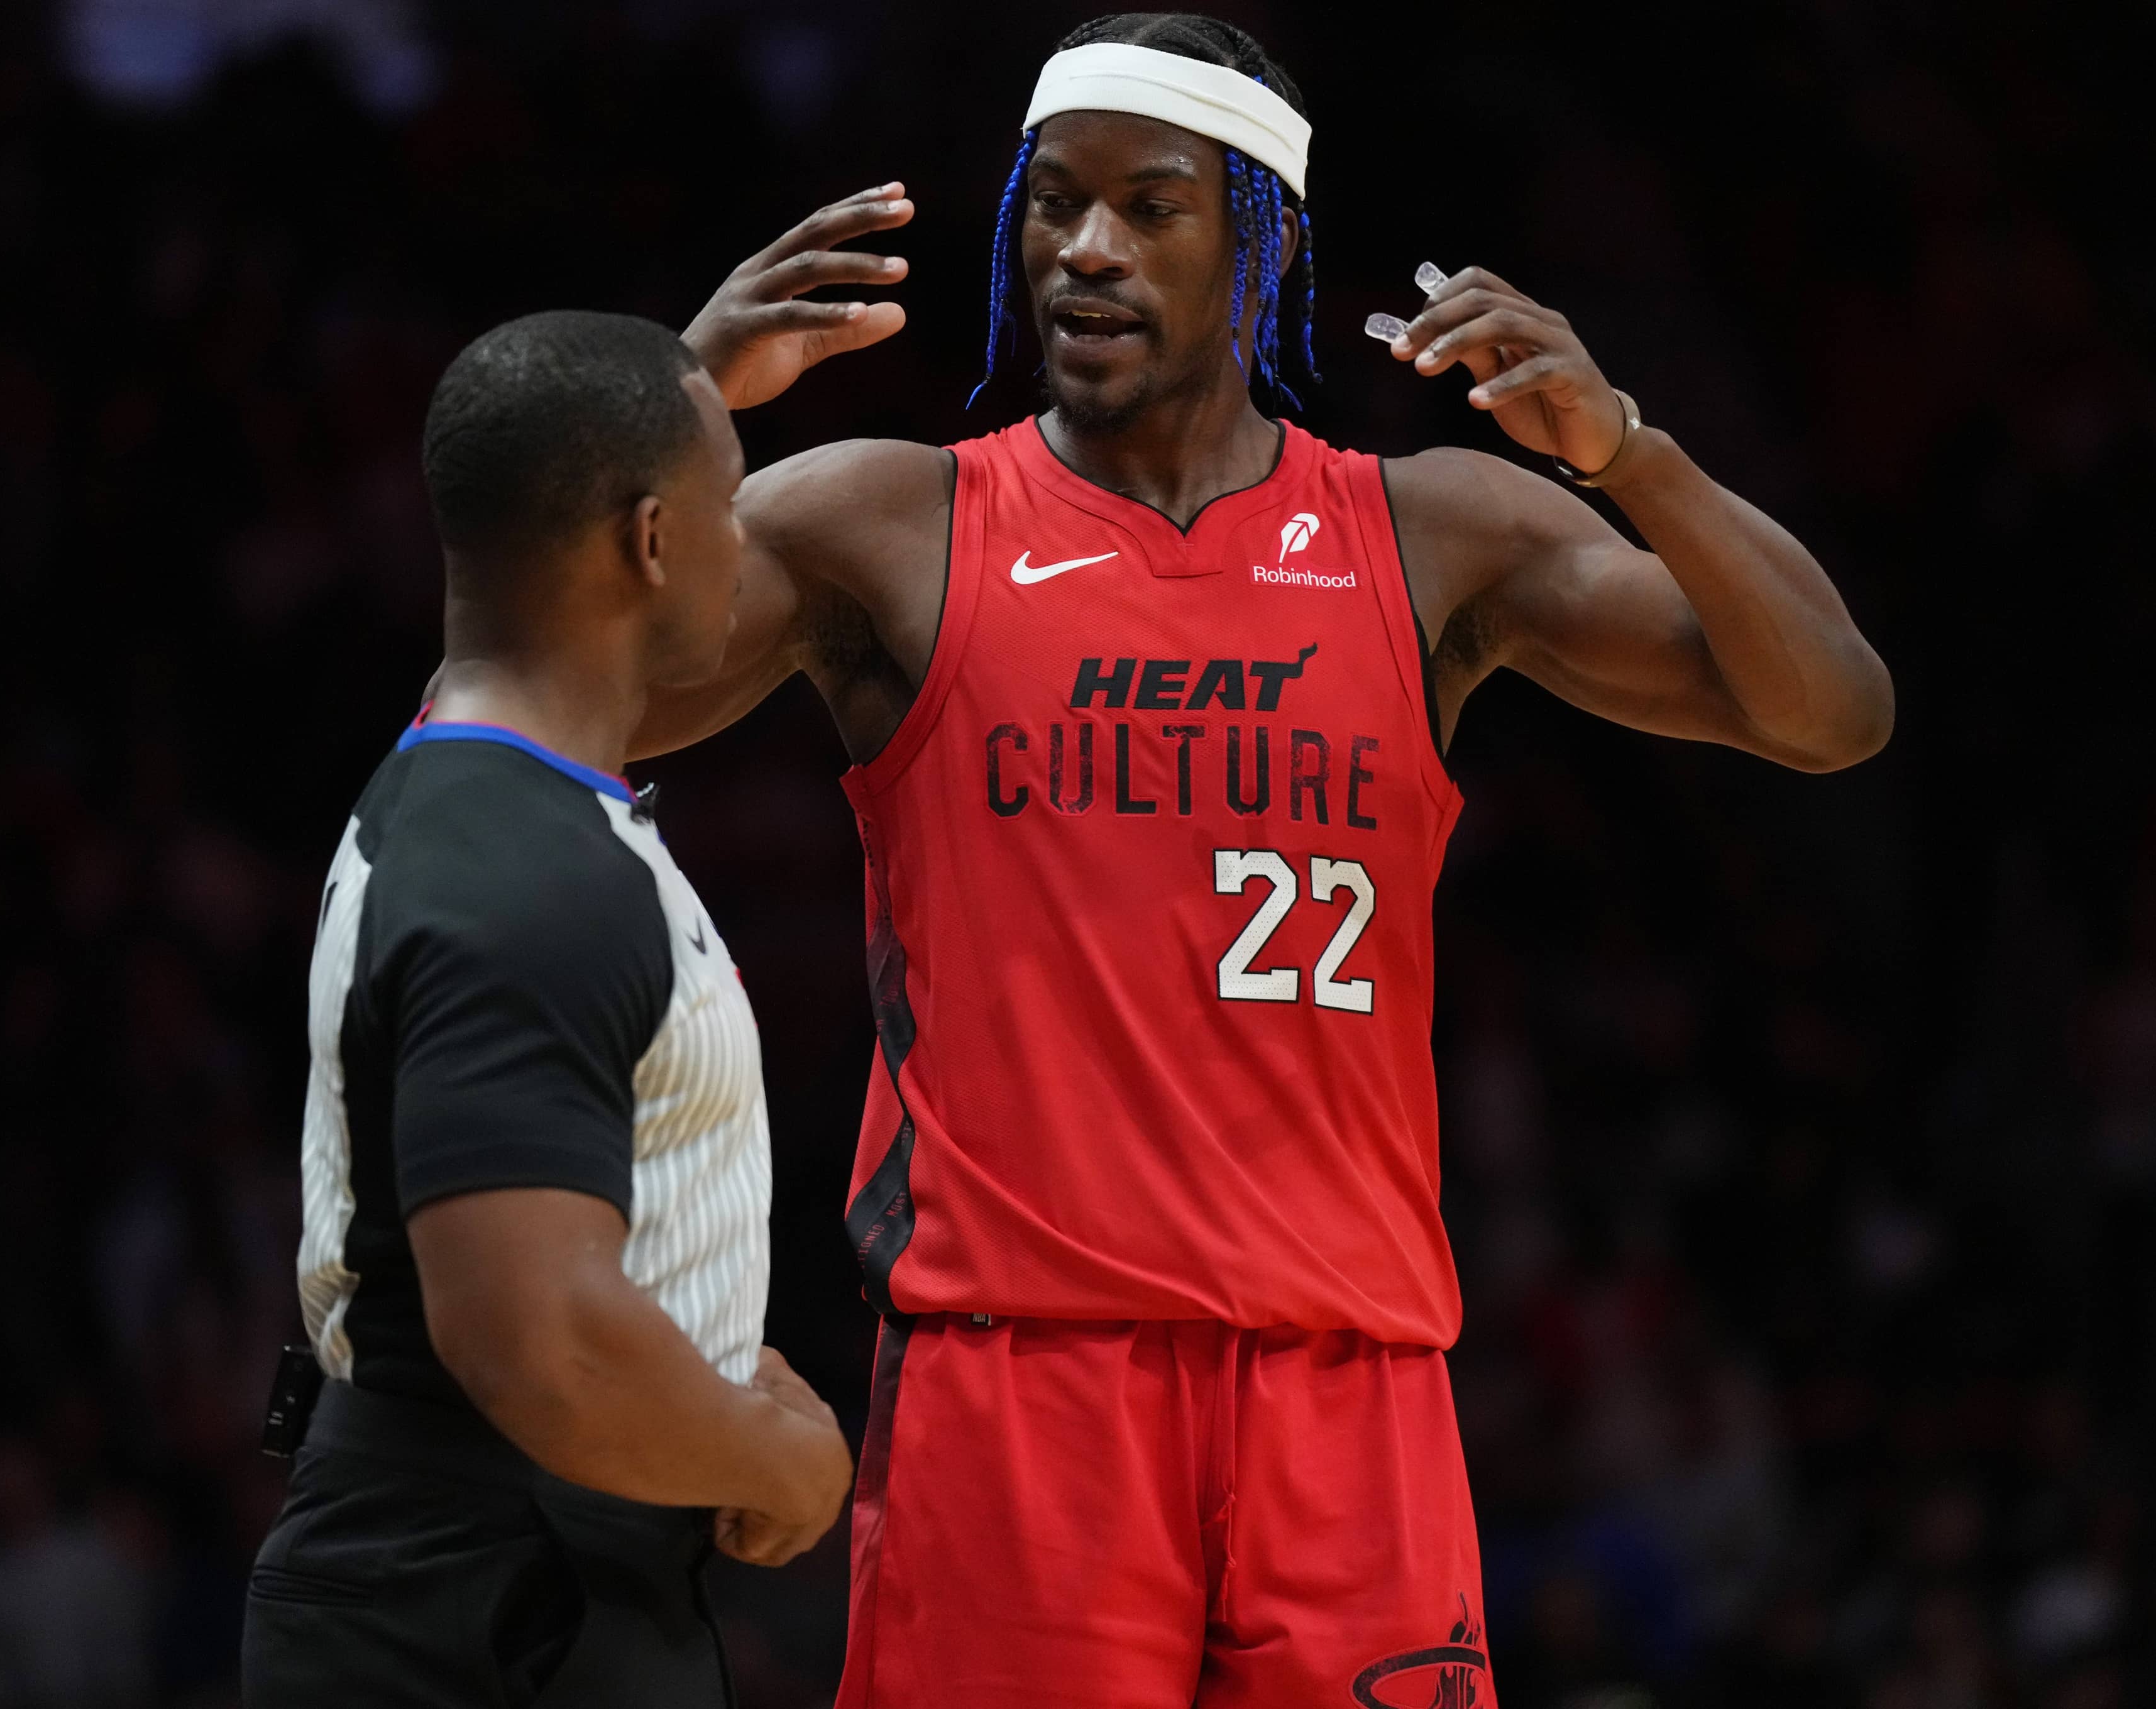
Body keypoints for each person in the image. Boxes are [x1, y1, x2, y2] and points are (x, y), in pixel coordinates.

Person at [646, 13, 1893, 1705]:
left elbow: (1828, 711)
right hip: (1021, 1390)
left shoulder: (1433, 533)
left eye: (1145, 206)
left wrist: (1627, 455)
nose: (1083, 249)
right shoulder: (891, 521)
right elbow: (541, 706)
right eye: (1051, 203)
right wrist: (672, 404)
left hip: (1349, 1390)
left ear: (1259, 246)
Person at [243, 310, 852, 1708]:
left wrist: (670, 381)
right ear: (649, 541)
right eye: (728, 502)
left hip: (497, 1557)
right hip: (484, 1590)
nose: (745, 542)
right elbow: (536, 1334)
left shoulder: (470, 776)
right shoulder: (524, 872)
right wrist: (781, 1458)